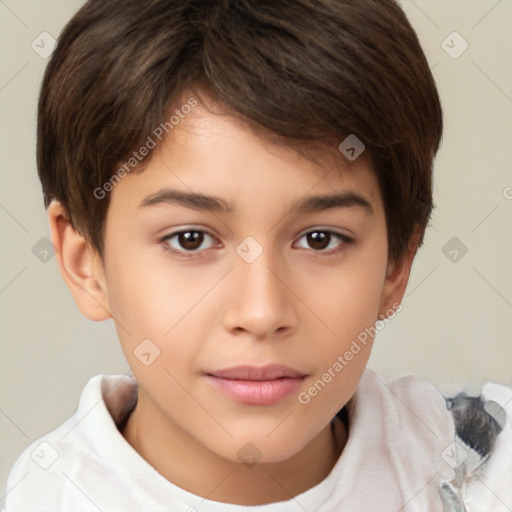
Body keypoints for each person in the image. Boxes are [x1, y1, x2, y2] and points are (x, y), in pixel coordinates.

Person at [4, 0, 511, 510]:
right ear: (84, 262)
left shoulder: (484, 468)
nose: (261, 312)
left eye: (320, 239)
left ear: (397, 263)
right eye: (190, 240)